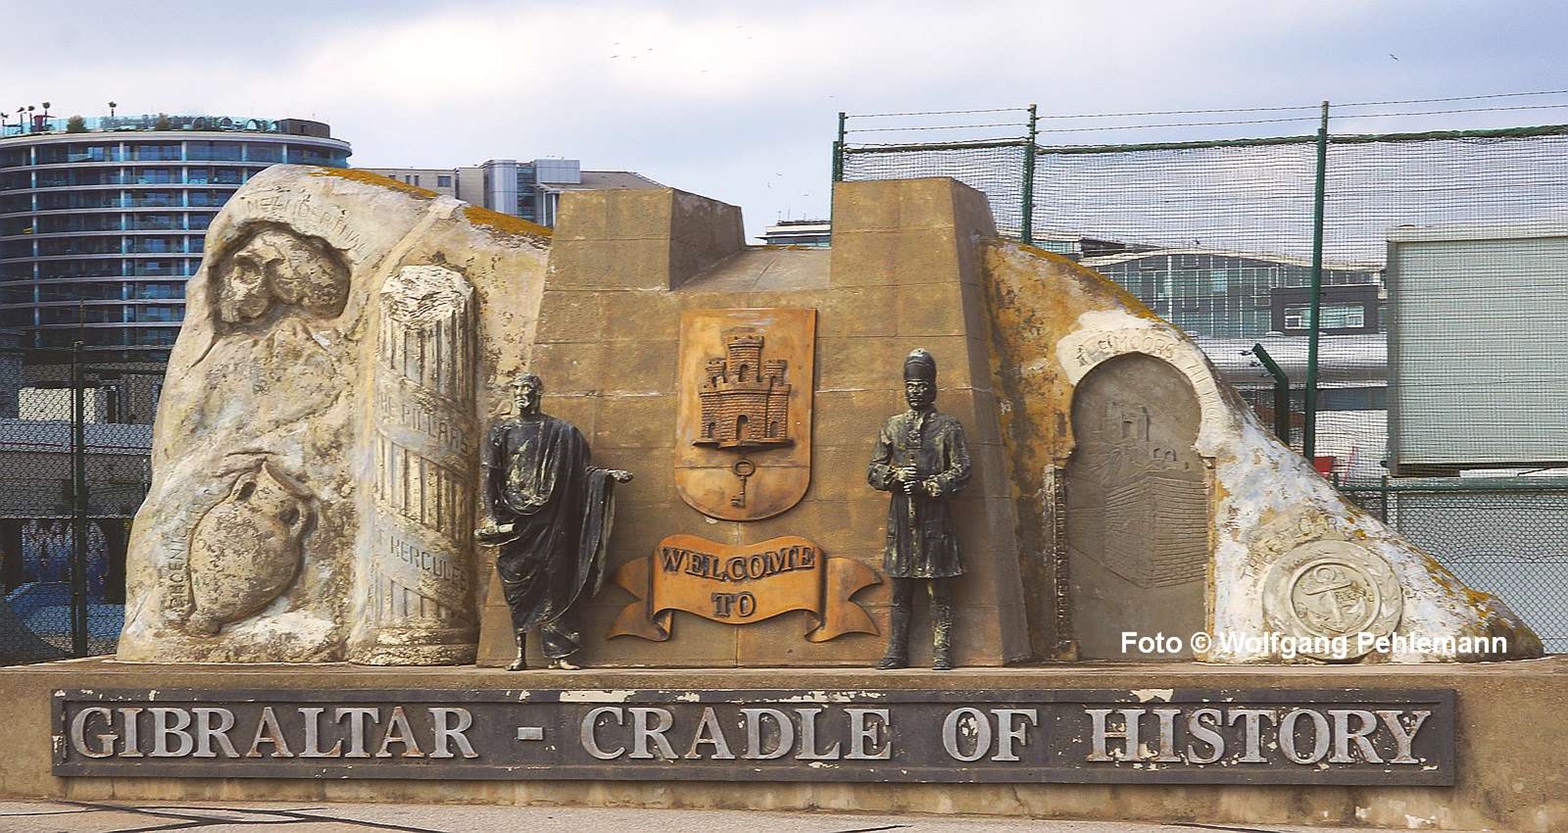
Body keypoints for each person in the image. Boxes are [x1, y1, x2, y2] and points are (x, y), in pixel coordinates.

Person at [478, 374, 632, 670]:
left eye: (528, 389)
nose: (523, 394)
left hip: (553, 521)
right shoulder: (501, 431)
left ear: (539, 394)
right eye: (518, 389)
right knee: (517, 587)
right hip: (516, 523)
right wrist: (491, 515)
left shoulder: (563, 432)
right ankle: (520, 653)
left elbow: (582, 473)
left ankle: (559, 654)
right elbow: (490, 476)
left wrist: (607, 476)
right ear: (512, 394)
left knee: (556, 585)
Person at [867, 348, 972, 671]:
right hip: (902, 518)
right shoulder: (892, 426)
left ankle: (942, 652)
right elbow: (873, 471)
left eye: (922, 386)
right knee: (900, 589)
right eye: (911, 386)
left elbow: (962, 470)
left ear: (933, 388)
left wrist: (929, 485)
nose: (916, 392)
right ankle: (896, 651)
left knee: (939, 589)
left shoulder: (948, 427)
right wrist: (895, 475)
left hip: (935, 518)